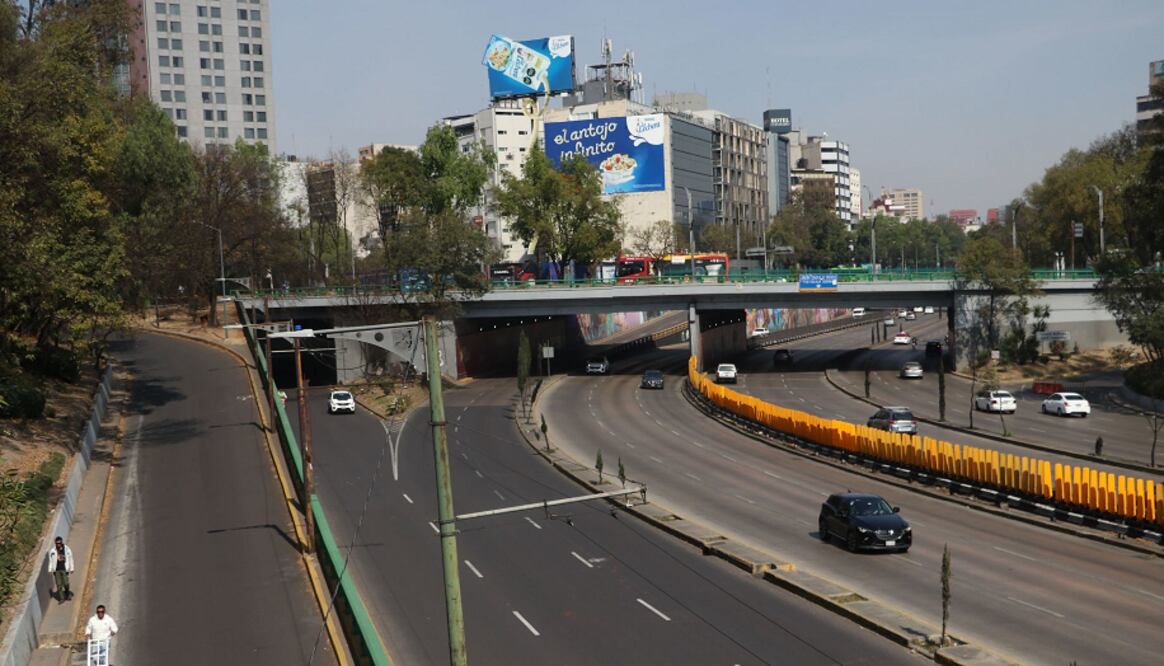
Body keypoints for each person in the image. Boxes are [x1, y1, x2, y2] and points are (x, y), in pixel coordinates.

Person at [45, 536, 74, 602]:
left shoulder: (67, 549)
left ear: (61, 542)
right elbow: (51, 561)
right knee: (59, 584)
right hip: (56, 570)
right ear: (55, 543)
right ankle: (61, 598)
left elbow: (70, 558)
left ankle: (67, 593)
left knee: (66, 583)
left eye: (59, 543)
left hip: (64, 569)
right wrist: (50, 569)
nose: (58, 544)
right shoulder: (53, 551)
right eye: (57, 543)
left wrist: (72, 568)